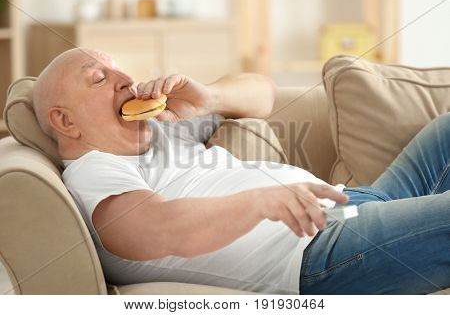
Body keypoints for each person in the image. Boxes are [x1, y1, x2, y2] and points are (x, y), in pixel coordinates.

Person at [33, 48, 449, 294]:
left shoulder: (163, 129)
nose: (126, 80)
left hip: (351, 206)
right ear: (66, 122)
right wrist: (259, 203)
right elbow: (153, 230)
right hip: (323, 254)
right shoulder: (93, 170)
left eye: (122, 70)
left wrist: (209, 97)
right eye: (100, 78)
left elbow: (262, 93)